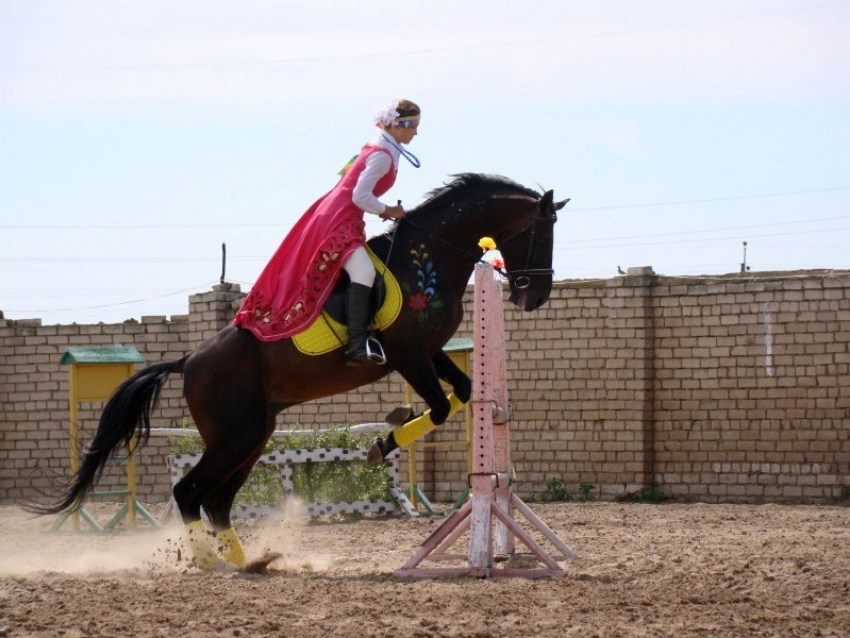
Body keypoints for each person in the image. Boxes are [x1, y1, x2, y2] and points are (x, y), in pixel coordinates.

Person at [232, 99, 421, 365]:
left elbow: (345, 181)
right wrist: (388, 210)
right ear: (399, 125)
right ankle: (356, 345)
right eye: (413, 126)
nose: (415, 132)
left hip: (335, 213)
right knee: (365, 272)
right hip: (338, 219)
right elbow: (359, 196)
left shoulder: (373, 147)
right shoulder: (380, 155)